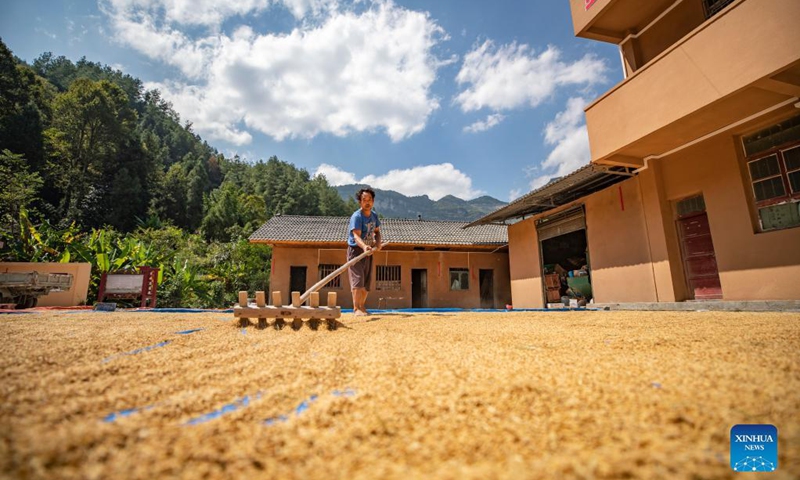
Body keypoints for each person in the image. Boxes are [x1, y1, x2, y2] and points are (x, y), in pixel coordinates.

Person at [347, 188, 382, 316]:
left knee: (367, 280)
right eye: (364, 200)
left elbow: (377, 232)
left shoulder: (374, 216)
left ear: (373, 201)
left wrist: (378, 243)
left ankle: (362, 307)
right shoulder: (357, 216)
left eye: (369, 200)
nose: (367, 202)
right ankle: (356, 308)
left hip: (368, 251)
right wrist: (364, 247)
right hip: (356, 251)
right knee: (358, 279)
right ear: (360, 202)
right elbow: (356, 236)